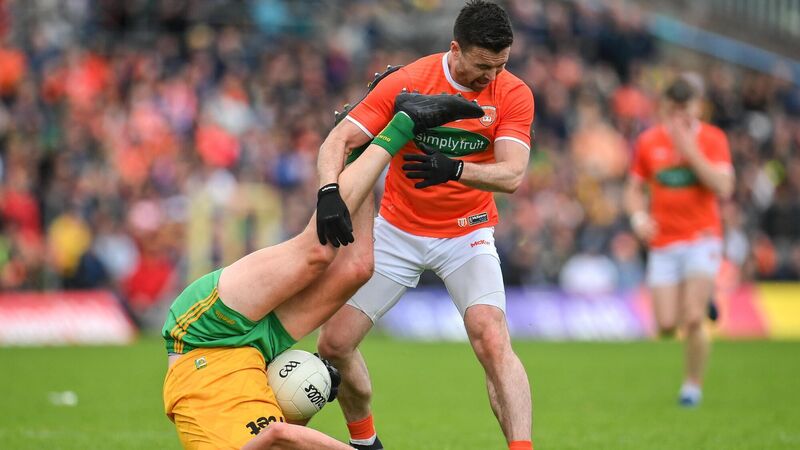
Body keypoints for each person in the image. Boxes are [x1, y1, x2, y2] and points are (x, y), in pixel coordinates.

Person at [161, 93, 484, 450]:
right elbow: (278, 425)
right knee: (357, 270)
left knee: (317, 252)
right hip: (256, 352)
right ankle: (363, 142)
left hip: (204, 335)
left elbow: (277, 435)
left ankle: (401, 123)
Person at [316, 2, 535, 449]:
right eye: (483, 66)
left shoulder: (513, 93)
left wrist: (455, 169)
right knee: (333, 345)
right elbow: (339, 138)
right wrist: (328, 191)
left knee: (492, 339)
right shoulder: (408, 81)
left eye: (501, 65)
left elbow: (513, 174)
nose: (492, 76)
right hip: (397, 233)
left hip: (467, 233)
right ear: (455, 49)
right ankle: (366, 442)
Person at [624, 75, 734, 407]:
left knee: (694, 318)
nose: (679, 118)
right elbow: (634, 189)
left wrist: (691, 153)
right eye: (673, 111)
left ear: (697, 108)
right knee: (666, 325)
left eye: (685, 111)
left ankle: (692, 387)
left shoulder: (713, 139)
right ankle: (702, 298)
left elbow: (723, 187)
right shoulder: (648, 142)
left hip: (702, 238)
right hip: (664, 242)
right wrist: (638, 218)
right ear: (664, 110)